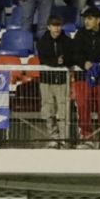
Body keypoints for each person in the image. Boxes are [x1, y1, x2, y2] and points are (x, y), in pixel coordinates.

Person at [70, 5, 100, 145]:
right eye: (85, 19)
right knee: (83, 106)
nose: (86, 22)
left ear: (98, 20)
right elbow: (75, 53)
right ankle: (86, 138)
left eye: (90, 19)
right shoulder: (80, 34)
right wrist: (83, 63)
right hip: (82, 78)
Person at [33, 14, 74, 147]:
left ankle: (64, 138)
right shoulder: (42, 41)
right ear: (49, 27)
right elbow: (44, 59)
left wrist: (64, 61)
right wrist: (57, 62)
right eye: (54, 26)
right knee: (48, 110)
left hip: (62, 81)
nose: (57, 29)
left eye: (59, 26)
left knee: (63, 110)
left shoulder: (67, 41)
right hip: (46, 80)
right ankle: (53, 137)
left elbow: (71, 58)